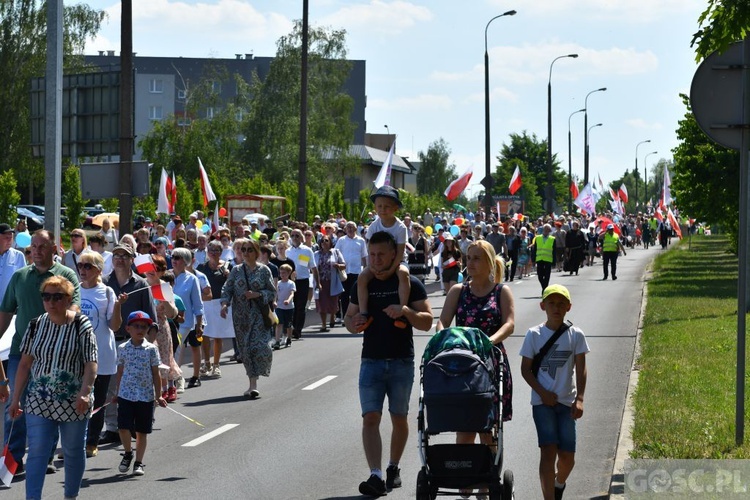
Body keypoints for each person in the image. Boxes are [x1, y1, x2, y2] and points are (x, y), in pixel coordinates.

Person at [344, 231, 433, 497]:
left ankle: (393, 467)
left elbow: (427, 321)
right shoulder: (364, 283)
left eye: (381, 254)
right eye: (371, 254)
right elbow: (349, 319)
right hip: (370, 360)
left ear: (393, 254)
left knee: (399, 418)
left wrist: (405, 311)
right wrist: (354, 324)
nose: (375, 260)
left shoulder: (410, 282)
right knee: (370, 417)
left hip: (401, 361)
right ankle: (376, 475)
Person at [9, 276, 96, 500]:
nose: (51, 301)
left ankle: (70, 496)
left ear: (68, 299)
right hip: (40, 399)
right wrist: (16, 398)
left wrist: (85, 392)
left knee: (72, 451)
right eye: (46, 296)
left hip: (74, 401)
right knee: (37, 452)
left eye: (57, 297)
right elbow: (25, 364)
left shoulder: (81, 324)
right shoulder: (36, 324)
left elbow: (91, 363)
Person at [0, 229, 80, 473]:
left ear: (54, 249)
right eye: (33, 247)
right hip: (19, 352)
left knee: (49, 403)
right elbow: (6, 313)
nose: (36, 251)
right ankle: (12, 462)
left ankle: (44, 456)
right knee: (15, 404)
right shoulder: (20, 277)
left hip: (54, 354)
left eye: (42, 246)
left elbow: (74, 309)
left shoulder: (66, 276)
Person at [519, 284, 589, 500]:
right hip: (542, 403)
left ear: (568, 307)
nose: (556, 308)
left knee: (568, 457)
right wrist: (542, 392)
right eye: (551, 303)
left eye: (561, 304)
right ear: (543, 306)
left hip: (567, 403)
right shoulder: (534, 334)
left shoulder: (576, 335)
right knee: (548, 452)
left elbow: (581, 368)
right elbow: (525, 369)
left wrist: (579, 399)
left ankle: (558, 484)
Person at [437, 239, 515, 427]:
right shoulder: (458, 291)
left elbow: (509, 324)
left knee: (488, 429)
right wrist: (443, 337)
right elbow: (443, 322)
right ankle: (463, 458)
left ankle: (490, 457)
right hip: (463, 361)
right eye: (468, 258)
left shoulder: (501, 291)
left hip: (491, 360)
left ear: (489, 263)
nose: (470, 263)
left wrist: (490, 341)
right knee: (464, 428)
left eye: (476, 259)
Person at [100, 243, 155, 446]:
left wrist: (149, 347)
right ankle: (113, 427)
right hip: (109, 342)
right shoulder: (104, 283)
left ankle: (132, 424)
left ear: (132, 259)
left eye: (125, 255)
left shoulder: (141, 284)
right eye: (116, 255)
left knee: (132, 384)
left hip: (133, 344)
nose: (120, 259)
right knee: (111, 387)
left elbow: (151, 318)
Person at [77, 251, 127, 458]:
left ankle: (92, 442)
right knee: (76, 398)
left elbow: (114, 327)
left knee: (97, 400)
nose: (82, 270)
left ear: (98, 270)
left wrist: (117, 307)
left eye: (88, 266)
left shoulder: (106, 292)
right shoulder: (74, 291)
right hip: (77, 355)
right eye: (80, 265)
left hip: (102, 354)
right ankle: (75, 442)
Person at [113, 311, 168, 477]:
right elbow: (120, 372)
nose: (140, 329)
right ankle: (128, 453)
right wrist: (117, 392)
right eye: (136, 326)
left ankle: (138, 462)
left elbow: (155, 373)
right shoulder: (122, 348)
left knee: (141, 431)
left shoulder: (151, 349)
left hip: (145, 396)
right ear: (128, 328)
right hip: (126, 394)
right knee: (123, 427)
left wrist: (158, 395)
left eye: (144, 327)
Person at [220, 238, 275, 399]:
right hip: (241, 316)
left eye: (249, 249)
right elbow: (227, 288)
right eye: (243, 250)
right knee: (246, 350)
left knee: (261, 347)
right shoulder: (236, 270)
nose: (245, 253)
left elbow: (272, 292)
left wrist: (257, 294)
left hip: (259, 315)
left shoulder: (264, 270)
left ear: (256, 252)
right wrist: (224, 304)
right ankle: (252, 384)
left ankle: (255, 379)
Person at [359, 186, 411, 331]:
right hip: (376, 262)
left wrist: (390, 271)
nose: (382, 209)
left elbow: (400, 252)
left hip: (397, 262)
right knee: (362, 277)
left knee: (403, 274)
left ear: (395, 208)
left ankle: (402, 310)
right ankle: (363, 312)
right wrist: (373, 268)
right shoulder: (373, 227)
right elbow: (370, 250)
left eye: (387, 206)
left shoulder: (400, 228)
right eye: (379, 206)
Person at [142, 255, 181, 401]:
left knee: (164, 357)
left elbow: (173, 314)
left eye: (157, 268)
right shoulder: (141, 284)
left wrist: (165, 301)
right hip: (144, 327)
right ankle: (156, 388)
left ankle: (169, 387)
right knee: (150, 360)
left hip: (161, 327)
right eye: (150, 267)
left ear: (162, 271)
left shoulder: (164, 286)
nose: (152, 271)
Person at [196, 240, 235, 376]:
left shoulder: (227, 266)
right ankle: (206, 363)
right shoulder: (201, 267)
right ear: (207, 251)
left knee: (218, 335)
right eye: (211, 250)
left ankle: (216, 365)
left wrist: (228, 276)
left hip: (220, 303)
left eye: (217, 250)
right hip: (205, 304)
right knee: (205, 335)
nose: (213, 253)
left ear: (221, 252)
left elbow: (232, 284)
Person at [171, 247, 204, 388]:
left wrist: (199, 323)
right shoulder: (167, 276)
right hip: (169, 321)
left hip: (186, 322)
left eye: (177, 258)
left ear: (186, 262)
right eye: (173, 257)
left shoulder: (192, 279)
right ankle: (174, 379)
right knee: (170, 350)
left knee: (178, 349)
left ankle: (181, 379)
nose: (174, 260)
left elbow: (198, 304)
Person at [334, 221, 367, 321]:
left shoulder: (361, 241)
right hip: (344, 272)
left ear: (356, 229)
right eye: (348, 227)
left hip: (356, 271)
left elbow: (364, 256)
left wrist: (365, 269)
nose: (350, 229)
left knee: (355, 294)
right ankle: (344, 316)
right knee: (344, 295)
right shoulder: (341, 240)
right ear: (345, 229)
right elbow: (336, 253)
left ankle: (354, 315)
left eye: (352, 227)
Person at [287, 229, 316, 339]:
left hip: (302, 281)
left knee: (300, 306)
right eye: (293, 235)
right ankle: (292, 327)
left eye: (297, 235)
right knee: (292, 306)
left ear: (301, 237)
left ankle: (298, 329)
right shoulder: (287, 251)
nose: (294, 237)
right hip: (290, 282)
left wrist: (317, 282)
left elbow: (312, 267)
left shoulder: (306, 250)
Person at [314, 236, 346, 331]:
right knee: (321, 303)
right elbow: (311, 265)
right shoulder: (316, 254)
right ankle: (324, 324)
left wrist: (338, 265)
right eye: (322, 241)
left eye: (326, 240)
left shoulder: (335, 252)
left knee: (333, 302)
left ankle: (332, 316)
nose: (324, 242)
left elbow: (344, 265)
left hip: (332, 281)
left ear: (330, 242)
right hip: (319, 281)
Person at [0, 223, 26, 305]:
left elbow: (23, 280)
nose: (9, 240)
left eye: (11, 237)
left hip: (10, 306)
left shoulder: (18, 256)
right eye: (6, 238)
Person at [274, 264, 295, 349]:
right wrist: (274, 301)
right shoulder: (278, 283)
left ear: (289, 273)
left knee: (288, 325)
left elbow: (292, 294)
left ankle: (289, 338)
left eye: (284, 273)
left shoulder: (291, 283)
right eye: (281, 273)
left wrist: (288, 300)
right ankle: (277, 341)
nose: (282, 275)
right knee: (279, 324)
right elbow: (275, 294)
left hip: (289, 308)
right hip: (279, 307)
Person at [530, 224, 555, 294]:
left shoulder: (552, 239)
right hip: (539, 259)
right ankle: (544, 287)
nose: (547, 231)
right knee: (540, 275)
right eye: (546, 229)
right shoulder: (537, 238)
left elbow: (554, 251)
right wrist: (533, 259)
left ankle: (544, 289)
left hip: (548, 259)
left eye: (548, 230)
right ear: (543, 230)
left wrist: (554, 262)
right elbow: (534, 250)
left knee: (547, 276)